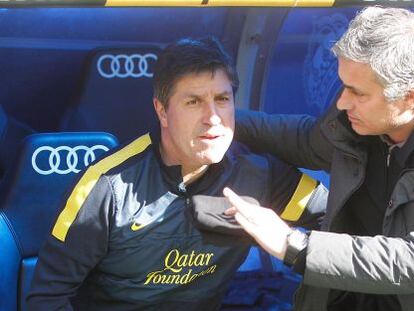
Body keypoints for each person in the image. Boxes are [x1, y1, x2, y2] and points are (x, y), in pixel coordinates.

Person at [27, 37, 327, 311]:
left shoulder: (261, 173)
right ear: (161, 111)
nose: (212, 117)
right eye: (193, 101)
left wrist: (292, 245)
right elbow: (46, 299)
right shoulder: (107, 187)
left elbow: (334, 218)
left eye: (222, 99)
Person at [224, 6, 414, 311]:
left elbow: (407, 261)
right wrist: (224, 119)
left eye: (358, 92)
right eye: (342, 85)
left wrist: (294, 245)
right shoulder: (356, 124)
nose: (341, 101)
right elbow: (305, 140)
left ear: (409, 96)